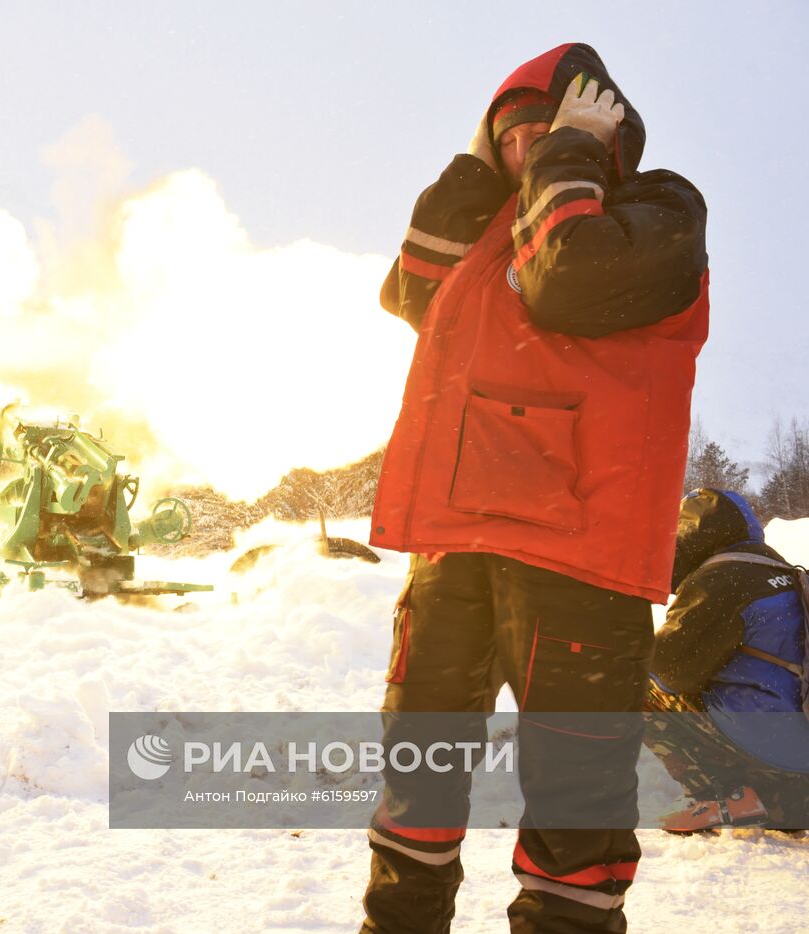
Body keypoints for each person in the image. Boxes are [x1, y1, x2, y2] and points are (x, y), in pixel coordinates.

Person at [362, 43, 709, 933]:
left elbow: (570, 281)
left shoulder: (661, 210)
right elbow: (410, 291)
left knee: (573, 808)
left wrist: (570, 151)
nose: (527, 154)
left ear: (606, 134)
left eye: (545, 133)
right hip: (456, 538)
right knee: (418, 774)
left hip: (579, 559)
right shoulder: (507, 220)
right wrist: (472, 173)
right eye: (509, 140)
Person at [644, 487, 809, 832]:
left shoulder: (722, 579)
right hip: (799, 743)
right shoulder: (785, 572)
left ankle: (718, 794)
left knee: (634, 682)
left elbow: (668, 670)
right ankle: (781, 796)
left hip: (772, 739)